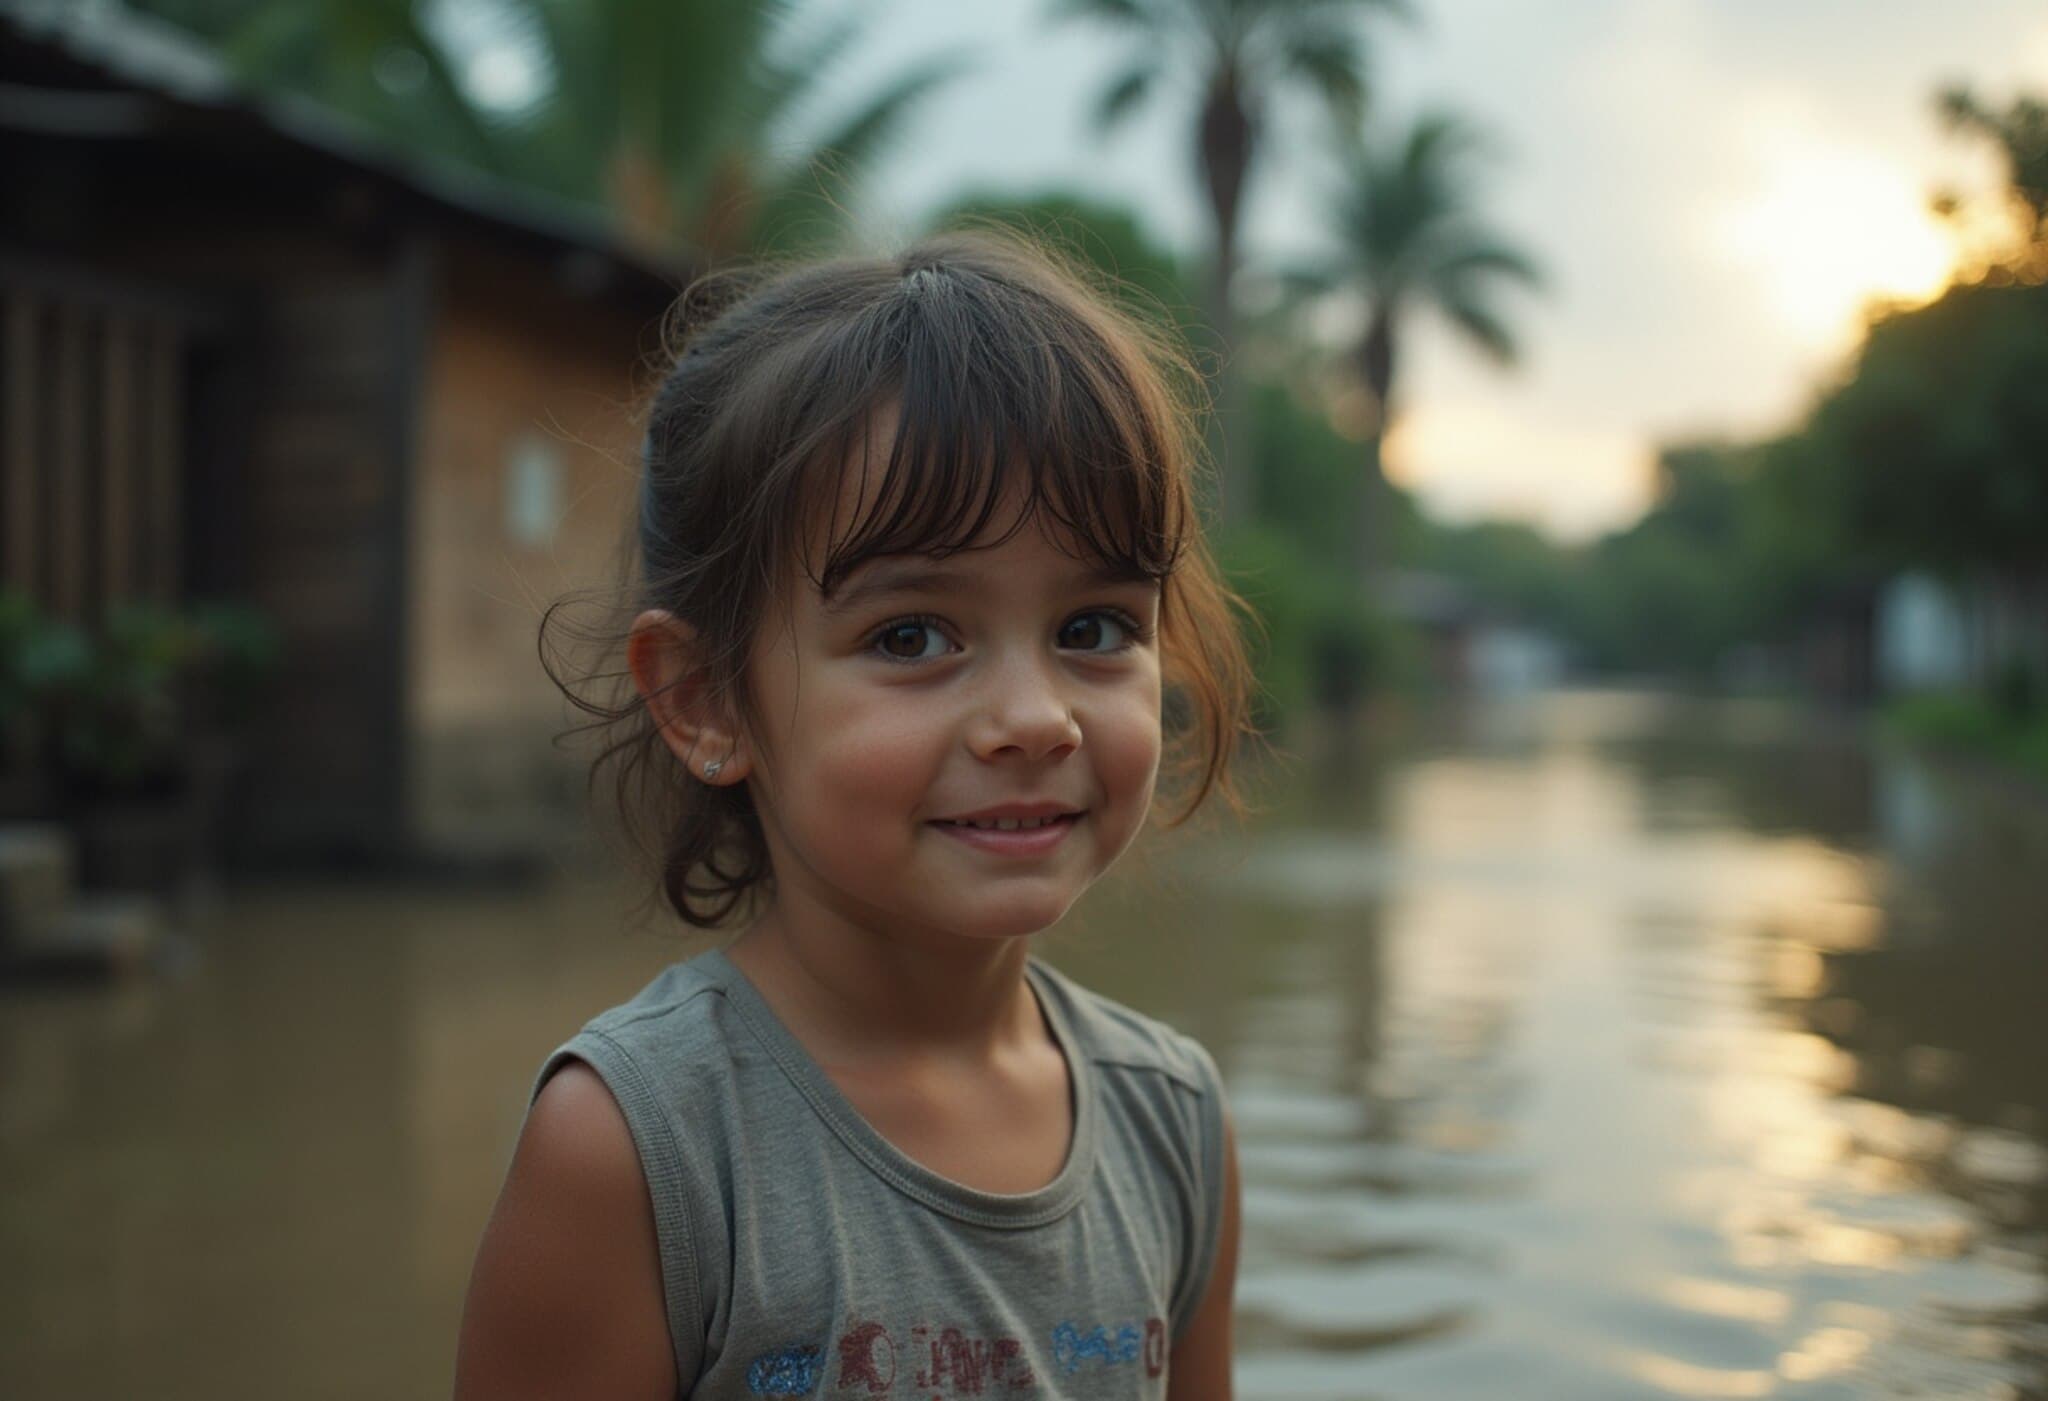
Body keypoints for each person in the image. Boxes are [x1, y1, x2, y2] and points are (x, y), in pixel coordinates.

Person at [454, 231, 1254, 1400]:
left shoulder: (1171, 1127)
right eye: (911, 636)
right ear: (706, 699)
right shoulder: (642, 1151)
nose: (1034, 720)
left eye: (1093, 628)